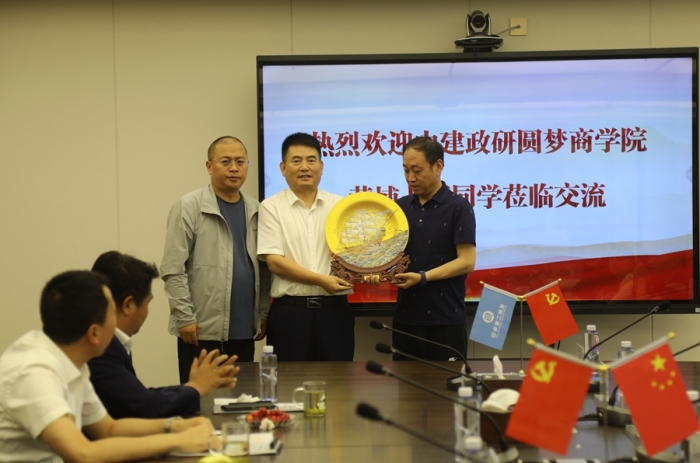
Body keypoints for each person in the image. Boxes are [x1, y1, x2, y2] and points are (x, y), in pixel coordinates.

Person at [0, 270, 214, 461]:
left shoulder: (72, 362)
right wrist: (180, 441)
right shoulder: (33, 373)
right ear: (94, 333)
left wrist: (174, 426)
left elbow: (110, 428)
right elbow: (83, 454)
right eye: (112, 314)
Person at [161, 136, 270, 383]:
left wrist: (263, 313)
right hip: (200, 330)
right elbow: (172, 268)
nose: (234, 168)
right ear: (209, 166)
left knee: (242, 397)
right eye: (226, 161)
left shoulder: (256, 210)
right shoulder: (189, 206)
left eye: (240, 162)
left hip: (244, 331)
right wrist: (184, 317)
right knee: (200, 398)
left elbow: (264, 270)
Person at [89, 250, 240, 419]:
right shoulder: (100, 348)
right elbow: (143, 406)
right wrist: (195, 388)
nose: (148, 312)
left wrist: (194, 386)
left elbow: (138, 396)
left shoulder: (113, 343)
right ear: (128, 305)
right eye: (147, 303)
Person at [257, 132, 354, 361]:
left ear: (321, 166)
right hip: (290, 315)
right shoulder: (271, 207)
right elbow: (274, 262)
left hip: (334, 313)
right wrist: (321, 280)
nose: (304, 167)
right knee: (289, 381)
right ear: (283, 168)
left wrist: (371, 270)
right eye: (296, 161)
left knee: (338, 380)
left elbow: (355, 255)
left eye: (311, 160)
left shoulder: (341, 206)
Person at [391, 136, 476, 361]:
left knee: (446, 383)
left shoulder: (458, 207)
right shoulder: (399, 207)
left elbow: (467, 261)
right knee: (405, 384)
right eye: (406, 170)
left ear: (438, 166)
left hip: (445, 319)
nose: (410, 178)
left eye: (417, 170)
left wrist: (423, 277)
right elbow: (388, 256)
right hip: (405, 319)